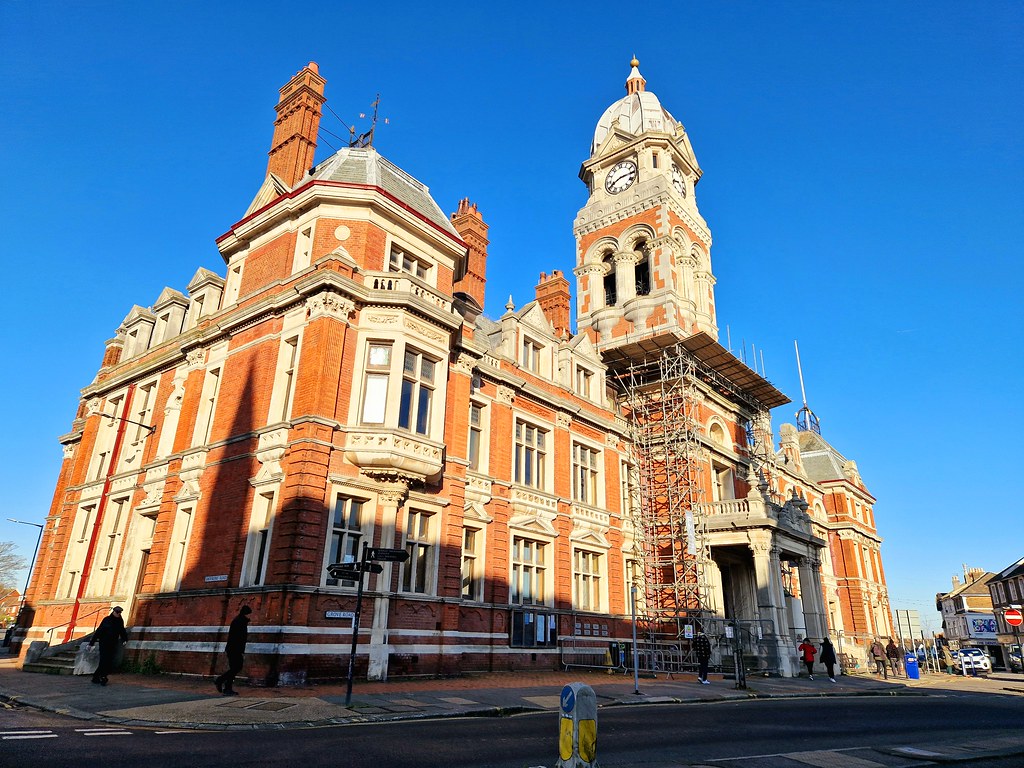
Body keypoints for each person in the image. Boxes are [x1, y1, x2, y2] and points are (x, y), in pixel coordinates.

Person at [215, 606, 251, 695]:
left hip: (233, 648)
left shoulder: (238, 620)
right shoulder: (240, 621)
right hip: (234, 649)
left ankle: (227, 687)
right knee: (236, 667)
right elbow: (239, 637)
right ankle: (220, 680)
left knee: (234, 668)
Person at [90, 606, 128, 686]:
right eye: (117, 612)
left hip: (113, 643)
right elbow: (99, 631)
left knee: (108, 661)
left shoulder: (120, 621)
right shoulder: (107, 620)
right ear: (113, 612)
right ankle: (103, 676)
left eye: (119, 613)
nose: (118, 614)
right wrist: (92, 642)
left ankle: (97, 676)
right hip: (104, 643)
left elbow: (122, 630)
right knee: (104, 660)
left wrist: (125, 639)